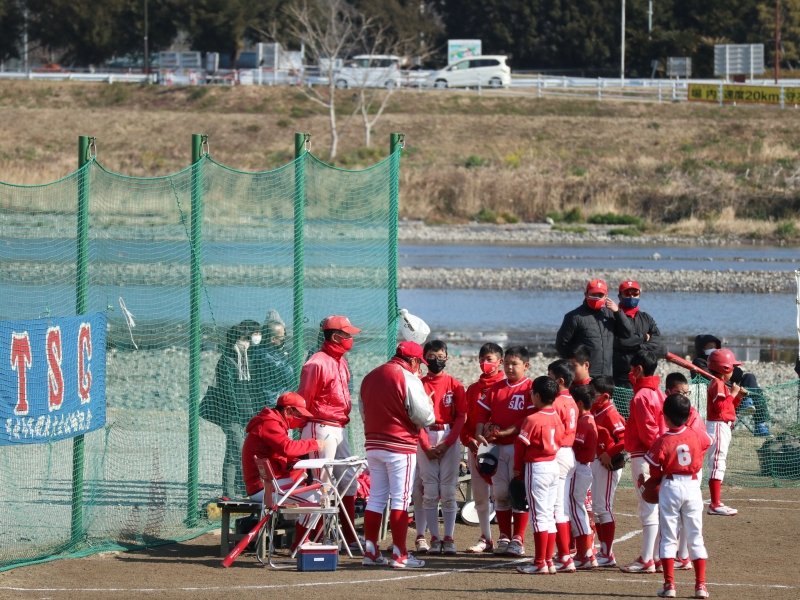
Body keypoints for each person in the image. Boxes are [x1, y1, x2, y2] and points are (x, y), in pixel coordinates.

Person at [359, 341, 435, 568]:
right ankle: (400, 554)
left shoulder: (370, 376)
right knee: (400, 499)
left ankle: (371, 551)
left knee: (376, 498)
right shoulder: (408, 377)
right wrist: (429, 404)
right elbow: (425, 418)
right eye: (419, 362)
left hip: (373, 443)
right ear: (413, 360)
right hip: (400, 445)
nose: (419, 367)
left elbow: (363, 411)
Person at [298, 315, 361, 549]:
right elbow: (303, 400)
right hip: (320, 426)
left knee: (349, 480)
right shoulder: (316, 362)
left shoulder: (340, 361)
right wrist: (303, 431)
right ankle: (309, 539)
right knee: (321, 485)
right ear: (335, 337)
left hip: (338, 427)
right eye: (347, 334)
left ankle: (350, 538)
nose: (350, 338)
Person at [645, 394, 712, 599]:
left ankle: (669, 586)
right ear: (688, 415)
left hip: (671, 486)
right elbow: (707, 442)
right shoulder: (696, 434)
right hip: (692, 486)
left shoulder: (662, 440)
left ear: (665, 416)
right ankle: (701, 586)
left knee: (668, 537)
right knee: (695, 536)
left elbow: (654, 470)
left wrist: (649, 483)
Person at [240, 392, 325, 552]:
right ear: (287, 411)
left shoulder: (275, 422)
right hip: (263, 487)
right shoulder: (270, 423)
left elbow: (280, 454)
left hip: (269, 483)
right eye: (299, 415)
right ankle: (300, 543)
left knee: (312, 489)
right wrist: (313, 443)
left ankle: (301, 540)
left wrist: (296, 461)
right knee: (317, 498)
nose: (301, 419)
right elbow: (287, 448)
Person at [475, 346, 534, 557]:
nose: (509, 367)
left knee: (518, 493)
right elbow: (482, 413)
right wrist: (479, 433)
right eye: (507, 363)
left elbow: (528, 419)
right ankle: (504, 536)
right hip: (497, 448)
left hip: (518, 448)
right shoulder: (496, 388)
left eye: (514, 363)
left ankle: (518, 538)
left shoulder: (530, 388)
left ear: (526, 366)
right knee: (500, 494)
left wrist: (505, 432)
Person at [417, 340, 467, 555]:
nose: (436, 360)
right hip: (426, 433)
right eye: (431, 356)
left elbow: (461, 416)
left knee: (448, 489)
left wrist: (448, 443)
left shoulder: (455, 385)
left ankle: (449, 537)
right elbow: (415, 418)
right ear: (424, 358)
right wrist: (426, 445)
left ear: (447, 358)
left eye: (440, 356)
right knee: (429, 489)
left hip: (449, 434)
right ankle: (434, 538)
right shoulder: (418, 384)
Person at [620, 350, 666, 574]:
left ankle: (647, 558)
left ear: (638, 369)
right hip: (657, 455)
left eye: (632, 369)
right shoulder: (659, 393)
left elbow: (648, 432)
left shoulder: (641, 396)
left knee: (647, 506)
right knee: (655, 507)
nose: (630, 373)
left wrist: (656, 455)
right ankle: (656, 556)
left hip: (645, 456)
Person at [514, 376, 564, 575]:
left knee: (539, 517)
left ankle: (539, 562)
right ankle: (548, 560)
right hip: (553, 465)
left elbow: (520, 447)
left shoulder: (532, 419)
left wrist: (517, 469)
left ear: (537, 396)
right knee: (549, 515)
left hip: (537, 467)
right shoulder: (557, 417)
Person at [461, 342, 505, 553]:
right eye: (481, 360)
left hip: (499, 448)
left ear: (500, 361)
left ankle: (507, 537)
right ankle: (486, 537)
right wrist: (468, 439)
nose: (485, 363)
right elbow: (465, 419)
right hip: (475, 448)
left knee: (501, 493)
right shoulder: (472, 389)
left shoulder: (505, 387)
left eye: (489, 359)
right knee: (479, 493)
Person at [214, 320, 261, 497]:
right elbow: (227, 390)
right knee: (239, 451)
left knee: (233, 453)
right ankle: (232, 492)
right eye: (244, 339)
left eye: (247, 340)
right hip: (232, 415)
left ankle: (233, 491)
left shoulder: (249, 359)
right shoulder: (226, 361)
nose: (247, 343)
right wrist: (241, 409)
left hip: (249, 414)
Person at [664, 371, 703, 571]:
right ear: (668, 392)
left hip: (689, 472)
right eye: (680, 392)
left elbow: (705, 441)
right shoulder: (668, 410)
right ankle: (680, 558)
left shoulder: (691, 412)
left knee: (685, 522)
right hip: (674, 472)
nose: (684, 396)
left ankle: (683, 556)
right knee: (678, 521)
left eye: (687, 392)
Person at [693, 335, 769, 437]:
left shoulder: (723, 358)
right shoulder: (699, 362)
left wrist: (728, 372)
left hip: (735, 393)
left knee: (749, 378)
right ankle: (747, 403)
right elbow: (710, 378)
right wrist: (732, 388)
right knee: (748, 389)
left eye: (715, 347)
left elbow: (738, 374)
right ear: (702, 348)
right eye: (710, 347)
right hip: (721, 396)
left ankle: (760, 423)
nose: (713, 349)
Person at [556, 279, 633, 378]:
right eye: (593, 294)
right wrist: (574, 365)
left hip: (606, 375)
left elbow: (627, 333)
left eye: (600, 295)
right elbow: (561, 344)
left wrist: (618, 312)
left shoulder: (610, 314)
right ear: (586, 294)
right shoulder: (574, 317)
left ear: (606, 297)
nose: (597, 298)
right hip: (585, 376)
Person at [704, 348, 747, 517]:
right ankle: (714, 504)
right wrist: (733, 393)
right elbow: (720, 408)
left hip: (723, 426)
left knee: (719, 463)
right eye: (732, 367)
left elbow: (728, 407)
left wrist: (737, 397)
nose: (734, 370)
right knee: (717, 463)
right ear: (725, 368)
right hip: (718, 426)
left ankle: (716, 502)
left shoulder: (720, 384)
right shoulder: (717, 384)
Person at [590, 375, 626, 567]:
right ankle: (604, 551)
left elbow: (625, 438)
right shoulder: (596, 410)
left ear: (604, 395)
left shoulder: (610, 412)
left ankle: (607, 553)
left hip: (608, 464)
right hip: (597, 461)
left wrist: (609, 453)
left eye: (593, 393)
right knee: (597, 508)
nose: (590, 396)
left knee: (603, 508)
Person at [546, 359, 579, 572]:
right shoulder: (571, 400)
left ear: (559, 380)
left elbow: (553, 432)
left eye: (550, 378)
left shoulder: (556, 402)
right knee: (562, 506)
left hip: (558, 452)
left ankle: (565, 555)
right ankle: (564, 553)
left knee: (556, 507)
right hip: (569, 453)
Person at [567, 384, 599, 570]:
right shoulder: (589, 419)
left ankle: (585, 554)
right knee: (578, 510)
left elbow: (575, 446)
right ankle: (587, 554)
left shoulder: (584, 421)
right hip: (584, 468)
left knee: (576, 510)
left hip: (580, 468)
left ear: (579, 403)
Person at [612, 280, 661, 389]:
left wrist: (638, 347)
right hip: (621, 376)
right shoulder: (612, 317)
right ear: (619, 296)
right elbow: (617, 342)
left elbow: (656, 342)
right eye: (627, 294)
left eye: (635, 294)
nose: (631, 297)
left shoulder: (646, 318)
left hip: (644, 375)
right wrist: (643, 338)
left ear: (639, 295)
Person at [250, 310, 294, 410]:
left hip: (271, 399)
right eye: (281, 337)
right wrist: (291, 367)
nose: (284, 339)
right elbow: (289, 374)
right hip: (271, 401)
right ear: (272, 339)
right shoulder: (265, 355)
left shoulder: (267, 352)